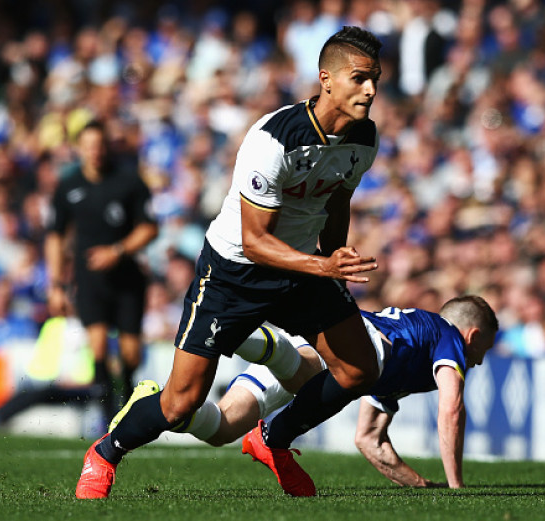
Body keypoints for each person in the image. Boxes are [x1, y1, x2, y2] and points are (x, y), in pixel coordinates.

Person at [75, 26, 383, 500]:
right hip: (235, 272)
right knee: (180, 405)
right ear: (326, 79)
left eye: (375, 79)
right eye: (360, 78)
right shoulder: (273, 139)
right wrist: (323, 267)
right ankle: (106, 451)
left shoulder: (364, 138)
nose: (371, 89)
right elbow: (256, 243)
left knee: (359, 369)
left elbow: (336, 198)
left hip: (303, 270)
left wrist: (334, 252)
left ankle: (271, 439)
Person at [119, 295, 498, 489]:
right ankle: (232, 331)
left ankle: (156, 402)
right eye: (483, 350)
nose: (478, 362)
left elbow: (369, 440)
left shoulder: (411, 357)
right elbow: (452, 408)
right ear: (473, 335)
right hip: (342, 345)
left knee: (220, 429)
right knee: (307, 377)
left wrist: (422, 485)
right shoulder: (447, 336)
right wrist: (456, 485)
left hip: (315, 344)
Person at [45, 120, 159, 426]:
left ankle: (127, 408)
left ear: (107, 147)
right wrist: (56, 283)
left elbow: (149, 227)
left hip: (127, 279)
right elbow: (54, 235)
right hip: (89, 280)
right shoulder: (68, 186)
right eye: (88, 146)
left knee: (130, 354)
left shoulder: (129, 182)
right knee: (97, 347)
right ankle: (111, 422)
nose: (94, 152)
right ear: (79, 149)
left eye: (99, 145)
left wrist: (117, 251)